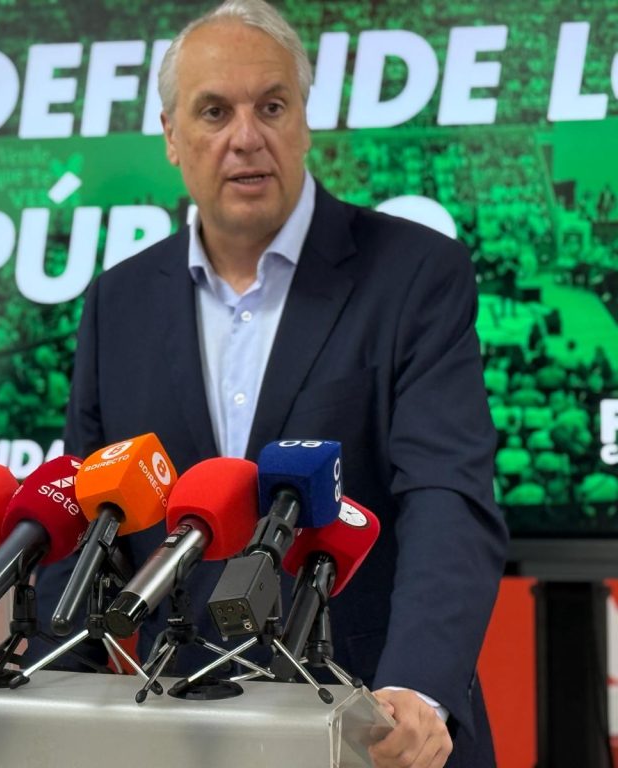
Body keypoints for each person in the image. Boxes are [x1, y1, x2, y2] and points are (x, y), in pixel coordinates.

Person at [35, 2, 509, 767]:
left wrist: (415, 689)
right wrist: (46, 704)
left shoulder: (416, 274)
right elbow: (91, 528)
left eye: (272, 106)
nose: (246, 137)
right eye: (214, 111)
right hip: (182, 729)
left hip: (376, 725)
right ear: (171, 136)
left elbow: (447, 494)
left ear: (304, 122)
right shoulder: (117, 304)